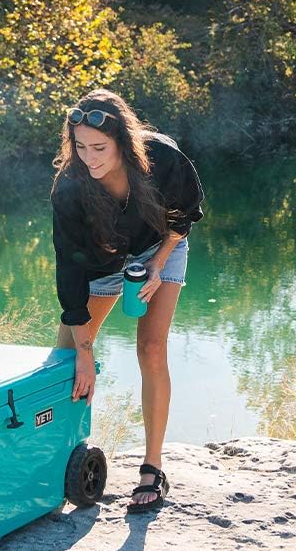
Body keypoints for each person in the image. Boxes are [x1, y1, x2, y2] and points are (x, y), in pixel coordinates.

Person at [51, 88, 204, 512]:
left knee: (151, 347)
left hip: (157, 249)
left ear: (124, 142)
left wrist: (157, 264)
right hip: (98, 261)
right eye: (80, 147)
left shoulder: (161, 159)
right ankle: (59, 460)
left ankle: (152, 468)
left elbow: (184, 215)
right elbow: (69, 272)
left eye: (99, 147)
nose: (90, 157)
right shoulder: (70, 189)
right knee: (66, 358)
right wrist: (85, 351)